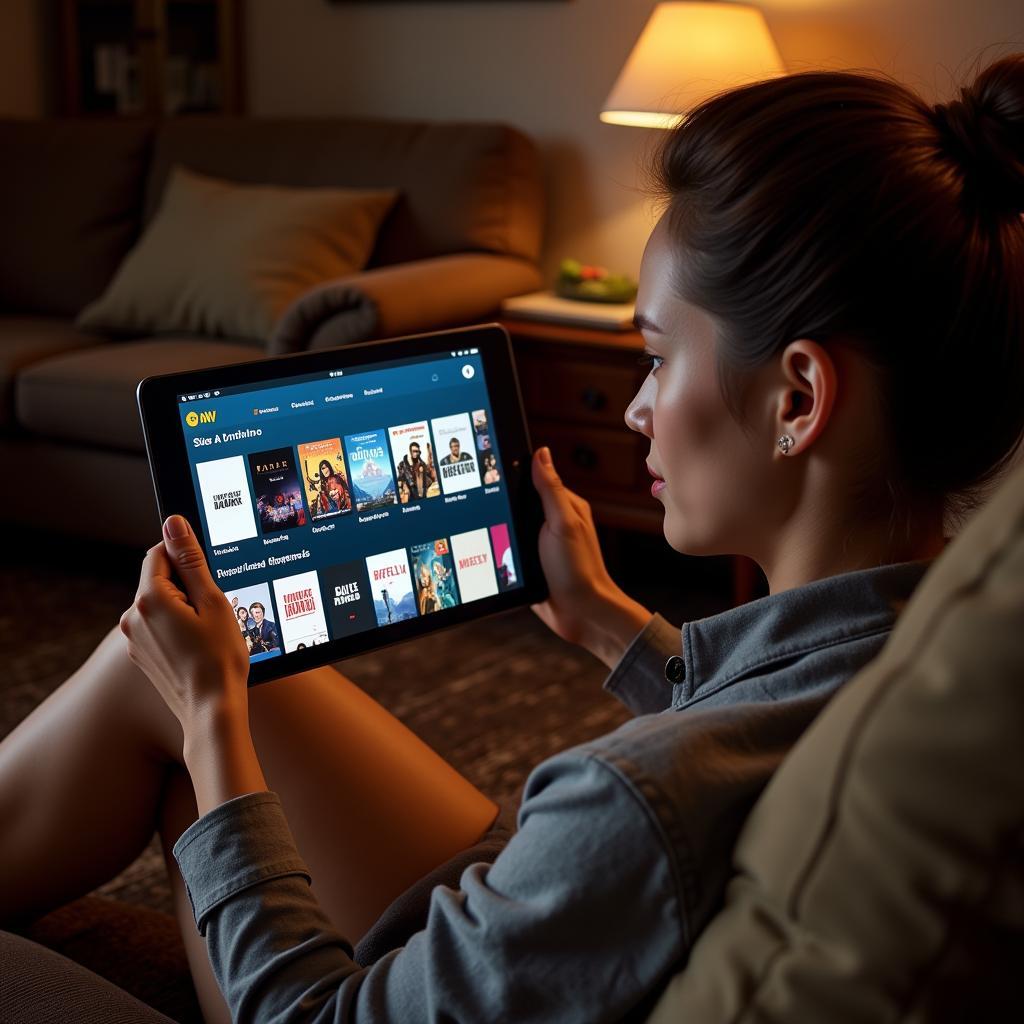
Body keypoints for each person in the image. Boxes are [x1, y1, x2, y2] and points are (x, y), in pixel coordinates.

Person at [2, 58, 1023, 1024]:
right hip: (549, 921)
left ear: (797, 397)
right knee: (237, 657)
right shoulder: (950, 653)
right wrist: (612, 625)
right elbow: (760, 743)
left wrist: (211, 723)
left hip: (447, 960)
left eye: (658, 358)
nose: (635, 410)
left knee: (187, 682)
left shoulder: (629, 801)